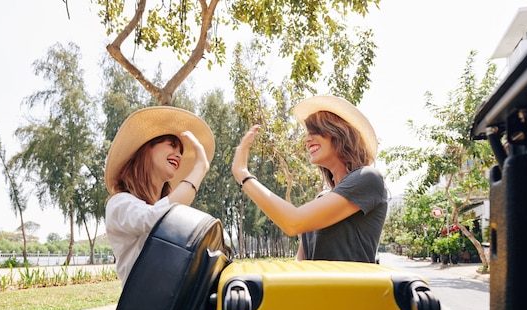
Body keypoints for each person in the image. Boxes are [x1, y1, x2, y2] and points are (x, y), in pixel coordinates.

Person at [231, 95, 387, 263]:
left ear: (340, 132)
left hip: (353, 289)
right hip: (316, 289)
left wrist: (243, 174)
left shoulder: (368, 178)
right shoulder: (321, 198)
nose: (307, 139)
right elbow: (301, 262)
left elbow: (293, 222)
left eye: (315, 131)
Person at [104, 106, 215, 285]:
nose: (178, 155)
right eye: (172, 145)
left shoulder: (163, 207)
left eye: (181, 151)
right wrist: (200, 168)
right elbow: (156, 219)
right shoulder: (119, 204)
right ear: (146, 149)